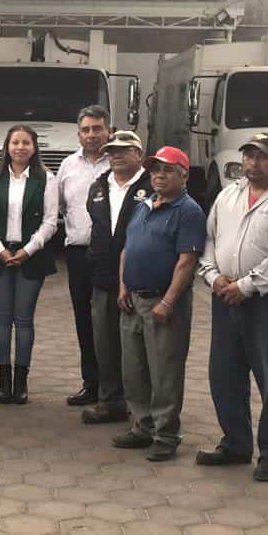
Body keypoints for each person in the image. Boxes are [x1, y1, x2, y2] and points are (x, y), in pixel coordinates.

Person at [196, 133, 268, 481]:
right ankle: (235, 444)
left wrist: (246, 286)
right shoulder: (227, 195)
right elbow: (210, 239)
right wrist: (213, 276)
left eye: (263, 157)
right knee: (224, 374)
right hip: (225, 296)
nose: (253, 163)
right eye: (249, 156)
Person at [115, 146, 205, 462]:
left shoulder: (188, 211)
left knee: (165, 372)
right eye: (155, 170)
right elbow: (127, 249)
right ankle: (143, 426)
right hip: (133, 300)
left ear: (184, 175)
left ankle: (166, 435)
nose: (159, 175)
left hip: (163, 303)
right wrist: (123, 287)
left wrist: (168, 301)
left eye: (167, 170)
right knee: (134, 369)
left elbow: (187, 261)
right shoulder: (143, 205)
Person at [0, 125, 58, 405]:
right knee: (2, 318)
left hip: (31, 255)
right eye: (15, 142)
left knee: (23, 319)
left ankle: (21, 380)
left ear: (34, 148)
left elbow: (50, 221)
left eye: (26, 143)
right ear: (7, 147)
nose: (20, 147)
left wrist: (28, 250)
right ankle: (4, 379)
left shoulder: (46, 179)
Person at [81, 131, 153, 425]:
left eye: (124, 150)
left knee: (139, 350)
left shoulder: (152, 185)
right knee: (105, 345)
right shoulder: (99, 186)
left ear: (139, 154)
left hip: (139, 280)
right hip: (103, 278)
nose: (117, 155)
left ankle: (145, 409)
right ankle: (110, 401)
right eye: (112, 151)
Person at [56, 106, 111, 407]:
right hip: (78, 253)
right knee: (84, 319)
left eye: (97, 128)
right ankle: (91, 384)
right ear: (78, 135)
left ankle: (114, 388)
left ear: (108, 131)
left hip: (111, 254)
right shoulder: (68, 166)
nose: (92, 135)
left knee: (111, 320)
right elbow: (60, 207)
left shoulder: (117, 162)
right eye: (86, 130)